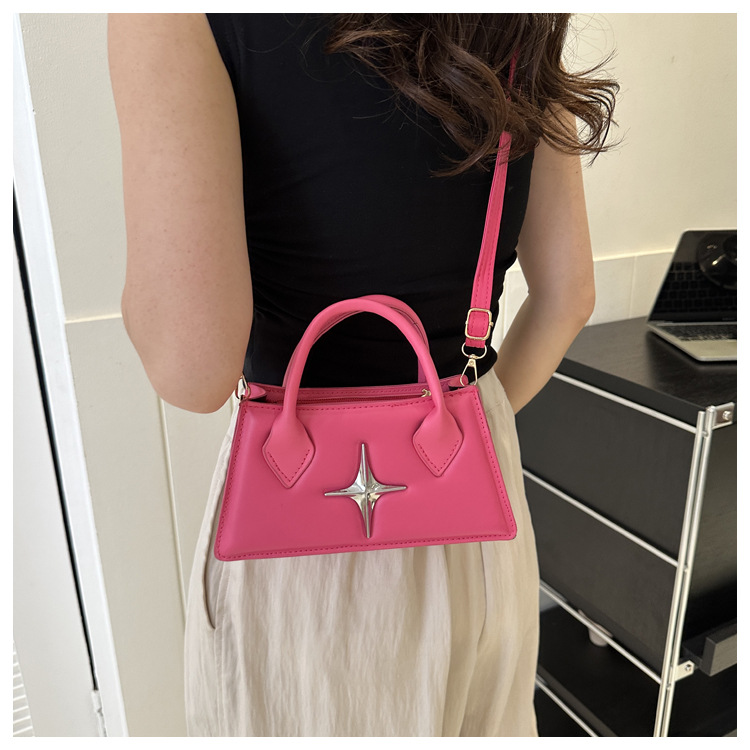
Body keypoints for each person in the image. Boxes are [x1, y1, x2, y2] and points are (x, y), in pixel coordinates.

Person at [107, 13, 617, 736]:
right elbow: (569, 296)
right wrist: (468, 426)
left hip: (300, 541)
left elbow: (191, 371)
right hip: (472, 503)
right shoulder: (521, 21)